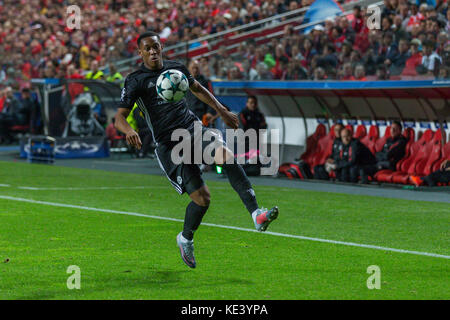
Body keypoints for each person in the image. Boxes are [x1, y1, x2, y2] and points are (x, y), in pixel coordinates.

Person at [114, 31, 279, 269]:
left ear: (162, 47)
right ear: (140, 52)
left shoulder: (176, 69)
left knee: (226, 156)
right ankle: (186, 238)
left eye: (156, 47)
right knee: (202, 199)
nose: (153, 51)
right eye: (147, 48)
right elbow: (119, 117)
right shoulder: (136, 80)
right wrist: (129, 130)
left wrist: (222, 110)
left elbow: (198, 88)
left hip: (193, 129)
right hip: (169, 144)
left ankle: (256, 214)